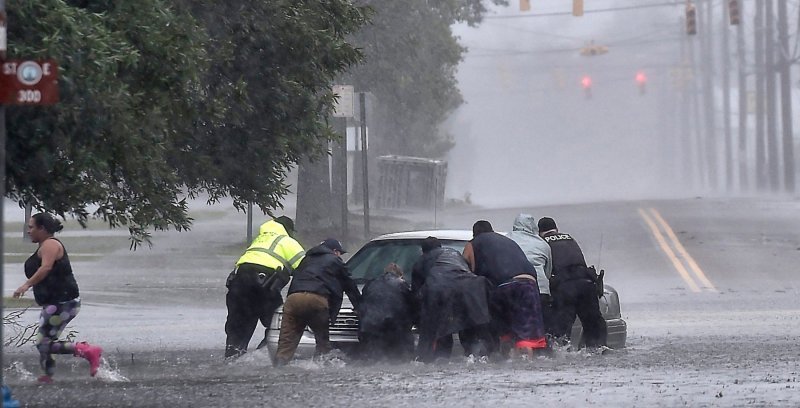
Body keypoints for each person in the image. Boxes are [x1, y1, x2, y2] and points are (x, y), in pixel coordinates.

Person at [12, 213, 103, 383]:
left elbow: (46, 268)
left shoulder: (50, 244)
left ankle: (86, 350)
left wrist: (26, 285)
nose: (28, 231)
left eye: (31, 227)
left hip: (63, 303)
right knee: (46, 341)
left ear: (42, 228)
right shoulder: (45, 245)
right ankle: (47, 376)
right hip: (57, 302)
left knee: (43, 343)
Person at [462, 220, 548, 358]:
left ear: (474, 234)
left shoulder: (473, 244)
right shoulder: (507, 240)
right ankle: (527, 364)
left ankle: (507, 363)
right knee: (526, 337)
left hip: (503, 287)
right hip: (529, 284)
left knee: (505, 334)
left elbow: (466, 270)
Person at [224, 216, 305, 358]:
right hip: (263, 286)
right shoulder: (287, 242)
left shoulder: (260, 239)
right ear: (288, 230)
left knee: (239, 324)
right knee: (280, 323)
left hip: (238, 284)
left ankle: (233, 357)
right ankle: (262, 356)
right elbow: (306, 267)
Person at [274, 238, 361, 365]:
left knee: (286, 343)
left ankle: (279, 366)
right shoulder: (334, 260)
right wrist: (359, 307)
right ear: (335, 251)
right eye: (340, 253)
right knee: (322, 342)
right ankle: (321, 369)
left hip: (293, 299)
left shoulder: (306, 260)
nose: (340, 256)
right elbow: (349, 285)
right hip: (316, 299)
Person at [415, 241, 494, 362]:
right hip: (471, 289)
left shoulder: (422, 260)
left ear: (423, 251)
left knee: (440, 329)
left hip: (442, 290)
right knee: (469, 326)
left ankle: (435, 359)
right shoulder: (455, 254)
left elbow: (417, 295)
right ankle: (477, 356)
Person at [537, 216, 607, 349]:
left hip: (565, 287)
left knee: (560, 330)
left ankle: (562, 353)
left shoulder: (542, 243)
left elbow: (544, 271)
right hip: (586, 283)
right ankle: (599, 349)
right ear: (556, 229)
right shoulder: (569, 238)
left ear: (539, 233)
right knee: (593, 324)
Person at [507, 214, 555, 337]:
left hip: (514, 290)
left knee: (516, 330)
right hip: (541, 290)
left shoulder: (506, 240)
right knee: (545, 330)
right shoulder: (543, 244)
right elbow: (548, 272)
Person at [357, 263, 416, 362]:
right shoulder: (401, 285)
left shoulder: (371, 283)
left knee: (372, 359)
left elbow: (362, 303)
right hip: (394, 327)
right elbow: (412, 305)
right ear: (400, 275)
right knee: (401, 358)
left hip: (370, 326)